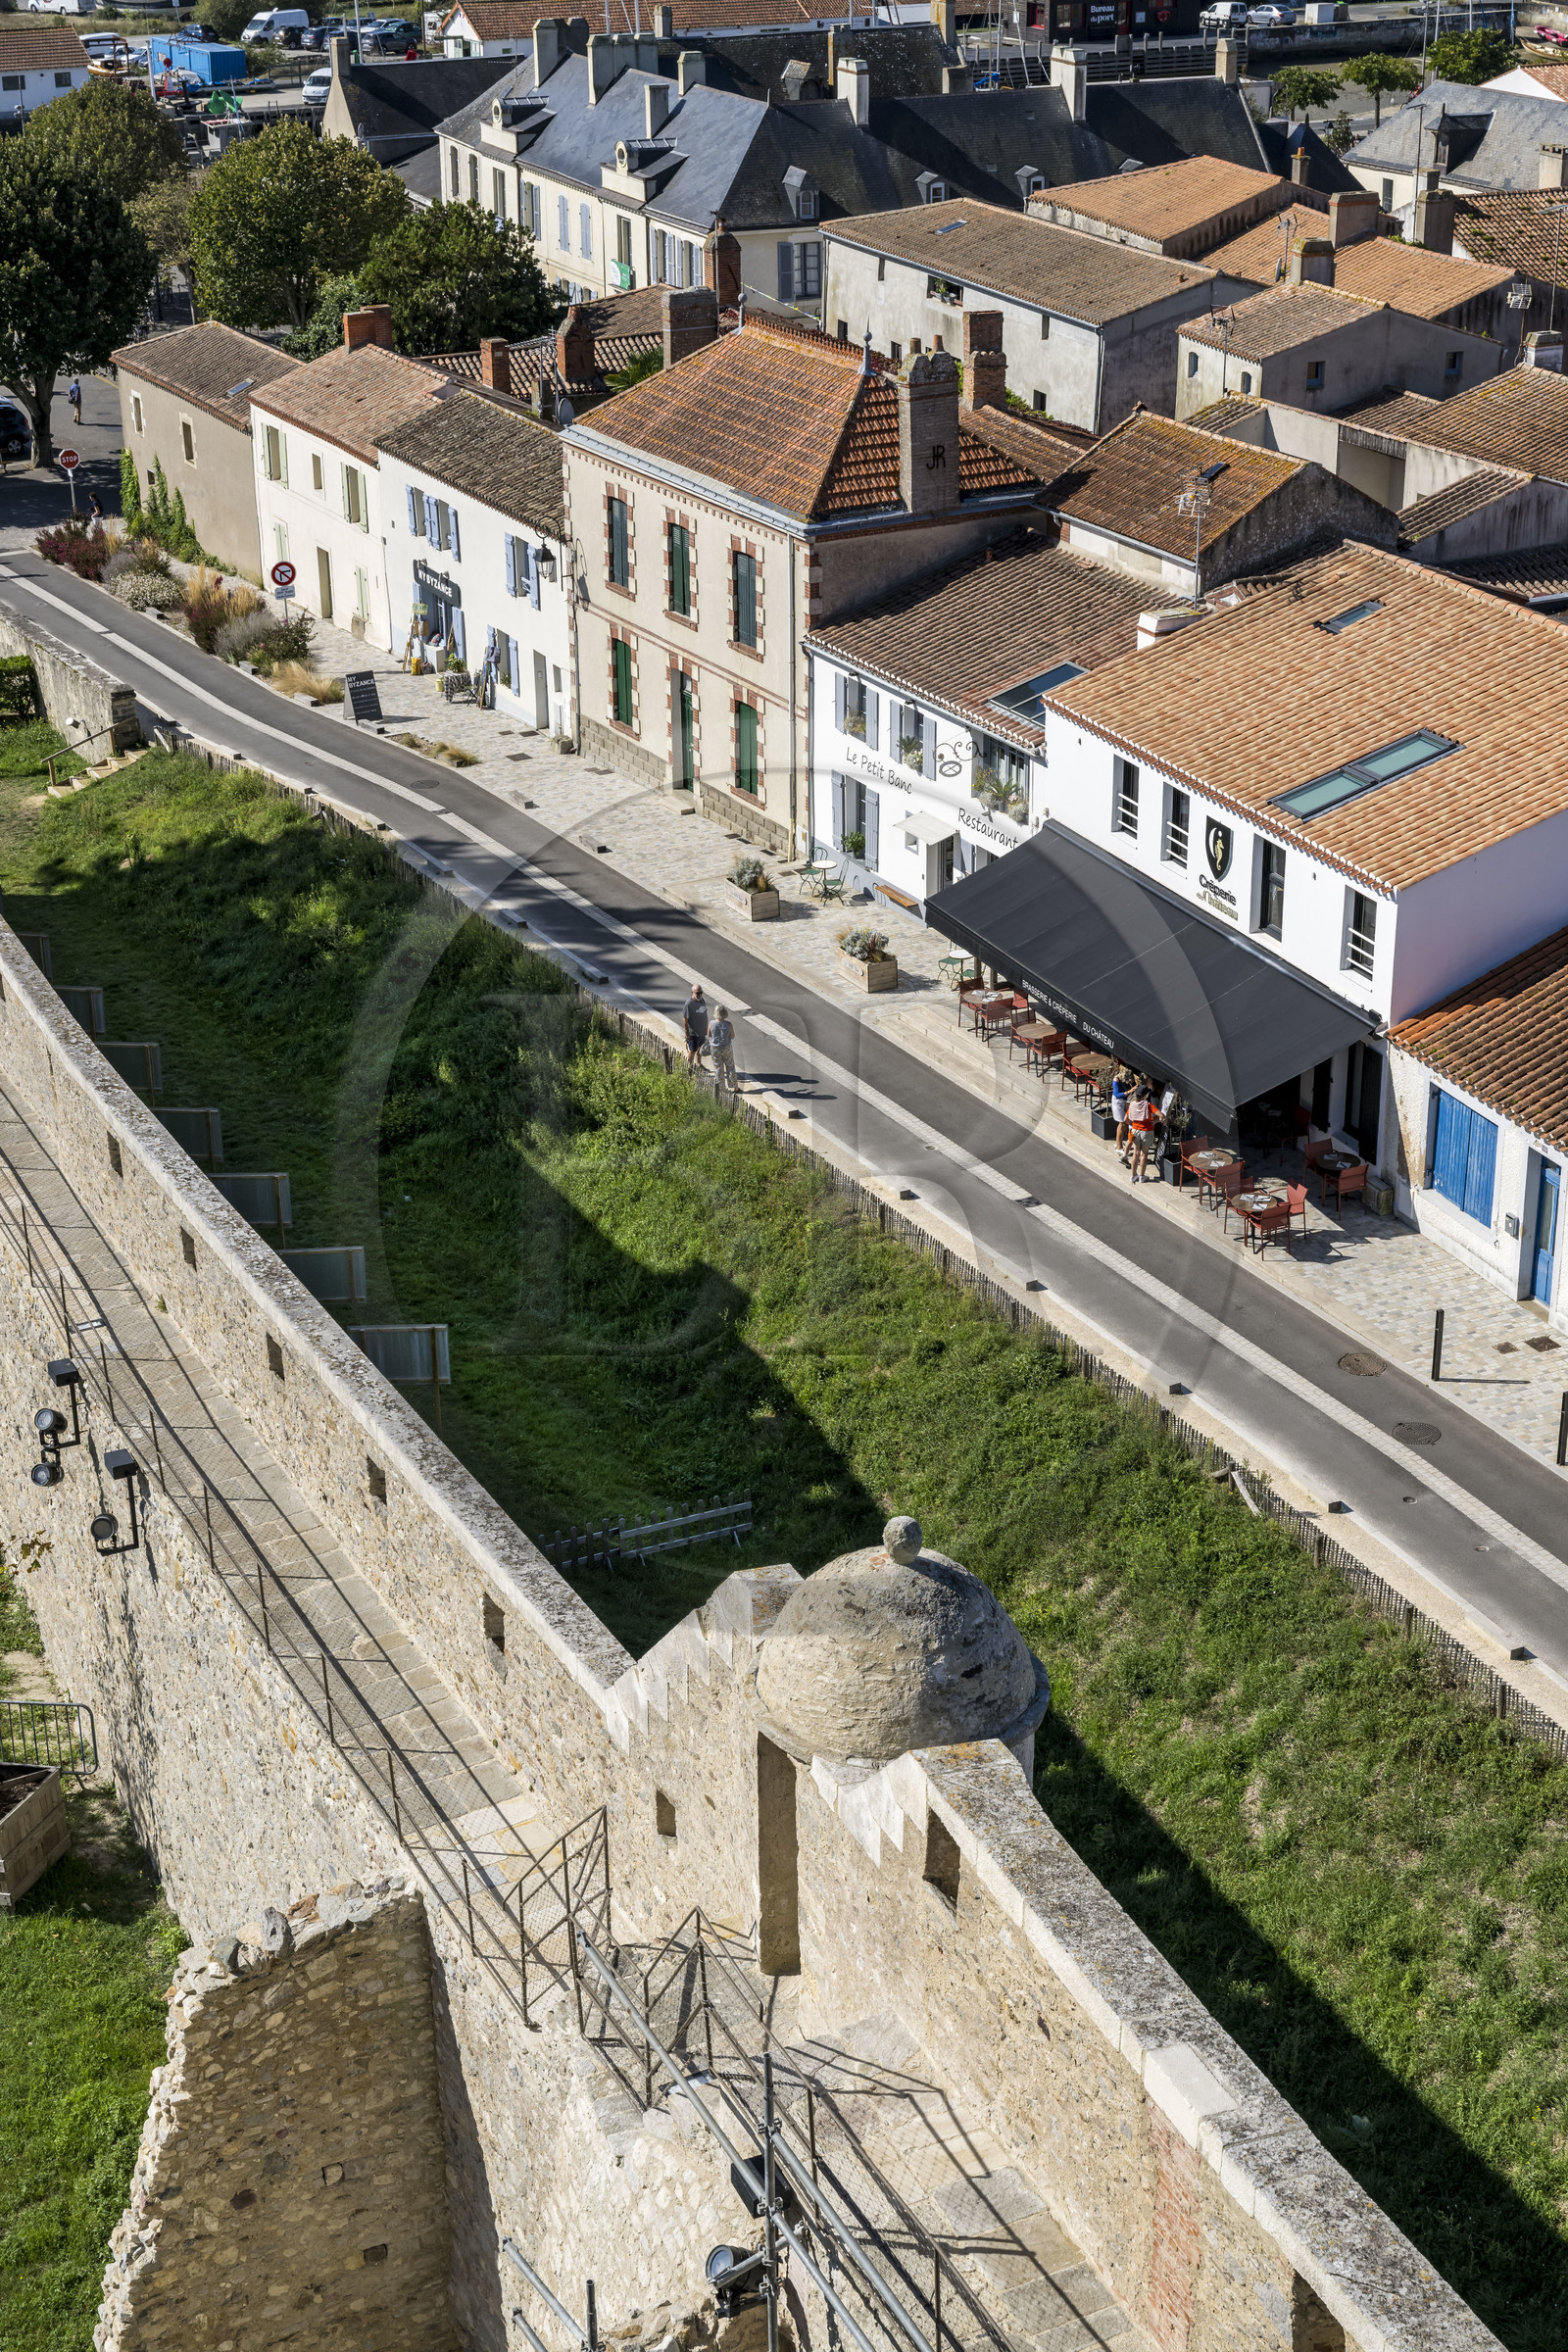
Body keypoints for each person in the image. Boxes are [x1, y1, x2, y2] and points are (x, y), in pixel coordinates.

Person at [1127, 1083, 1156, 1184]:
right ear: (1145, 1095)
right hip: (1146, 1131)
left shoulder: (1132, 1104)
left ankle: (1133, 1175)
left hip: (1135, 1130)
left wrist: (1133, 1124)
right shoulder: (1148, 1105)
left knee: (1135, 1153)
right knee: (1144, 1154)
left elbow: (1125, 1119)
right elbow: (1161, 1115)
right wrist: (1156, 1121)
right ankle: (1142, 1176)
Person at [710, 1004, 736, 1098]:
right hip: (726, 1047)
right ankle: (734, 1086)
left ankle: (721, 1087)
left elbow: (709, 1034)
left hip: (715, 1048)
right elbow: (732, 1036)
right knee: (730, 1066)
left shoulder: (711, 1023)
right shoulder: (728, 1024)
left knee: (718, 1068)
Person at [683, 983, 709, 1072]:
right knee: (692, 1050)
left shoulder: (702, 1000)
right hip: (693, 1032)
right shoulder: (689, 1004)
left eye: (701, 992)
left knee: (700, 1049)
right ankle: (689, 1068)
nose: (700, 995)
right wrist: (687, 1033)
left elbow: (705, 1014)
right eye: (697, 993)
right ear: (692, 993)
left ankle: (699, 1064)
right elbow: (685, 1019)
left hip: (702, 1031)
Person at [1109, 1065, 1131, 1163]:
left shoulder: (1127, 1078)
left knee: (1124, 1123)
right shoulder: (1116, 1080)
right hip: (1118, 1102)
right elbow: (1117, 1095)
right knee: (1122, 1123)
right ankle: (1119, 1146)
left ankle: (1118, 1142)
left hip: (1124, 1102)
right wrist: (1129, 1091)